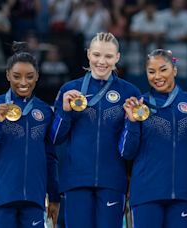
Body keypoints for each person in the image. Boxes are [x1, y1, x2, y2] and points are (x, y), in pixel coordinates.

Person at [49, 32, 140, 228]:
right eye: (97, 55)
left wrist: (132, 122)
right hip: (76, 179)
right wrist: (65, 112)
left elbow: (131, 150)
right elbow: (55, 138)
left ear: (117, 58)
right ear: (88, 54)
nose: (102, 61)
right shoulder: (69, 89)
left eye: (108, 56)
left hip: (112, 180)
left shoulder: (129, 92)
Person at [0, 41, 60, 228]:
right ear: (7, 75)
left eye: (29, 76)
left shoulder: (44, 111)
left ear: (37, 76)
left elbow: (50, 158)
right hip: (2, 199)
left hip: (34, 200)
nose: (23, 82)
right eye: (17, 76)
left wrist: (54, 196)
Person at [118, 49, 187, 227]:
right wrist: (131, 122)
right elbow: (127, 152)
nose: (157, 76)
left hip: (183, 194)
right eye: (151, 71)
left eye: (163, 69)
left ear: (175, 70)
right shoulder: (139, 105)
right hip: (146, 195)